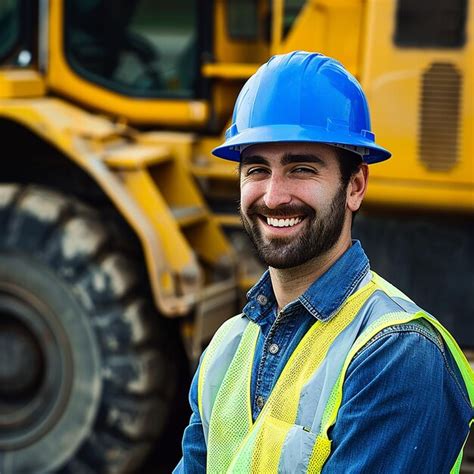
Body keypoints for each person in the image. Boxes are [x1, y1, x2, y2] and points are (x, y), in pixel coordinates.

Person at [174, 51, 474, 473]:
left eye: (301, 169)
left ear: (355, 186)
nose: (274, 195)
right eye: (257, 169)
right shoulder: (227, 347)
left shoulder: (398, 354)